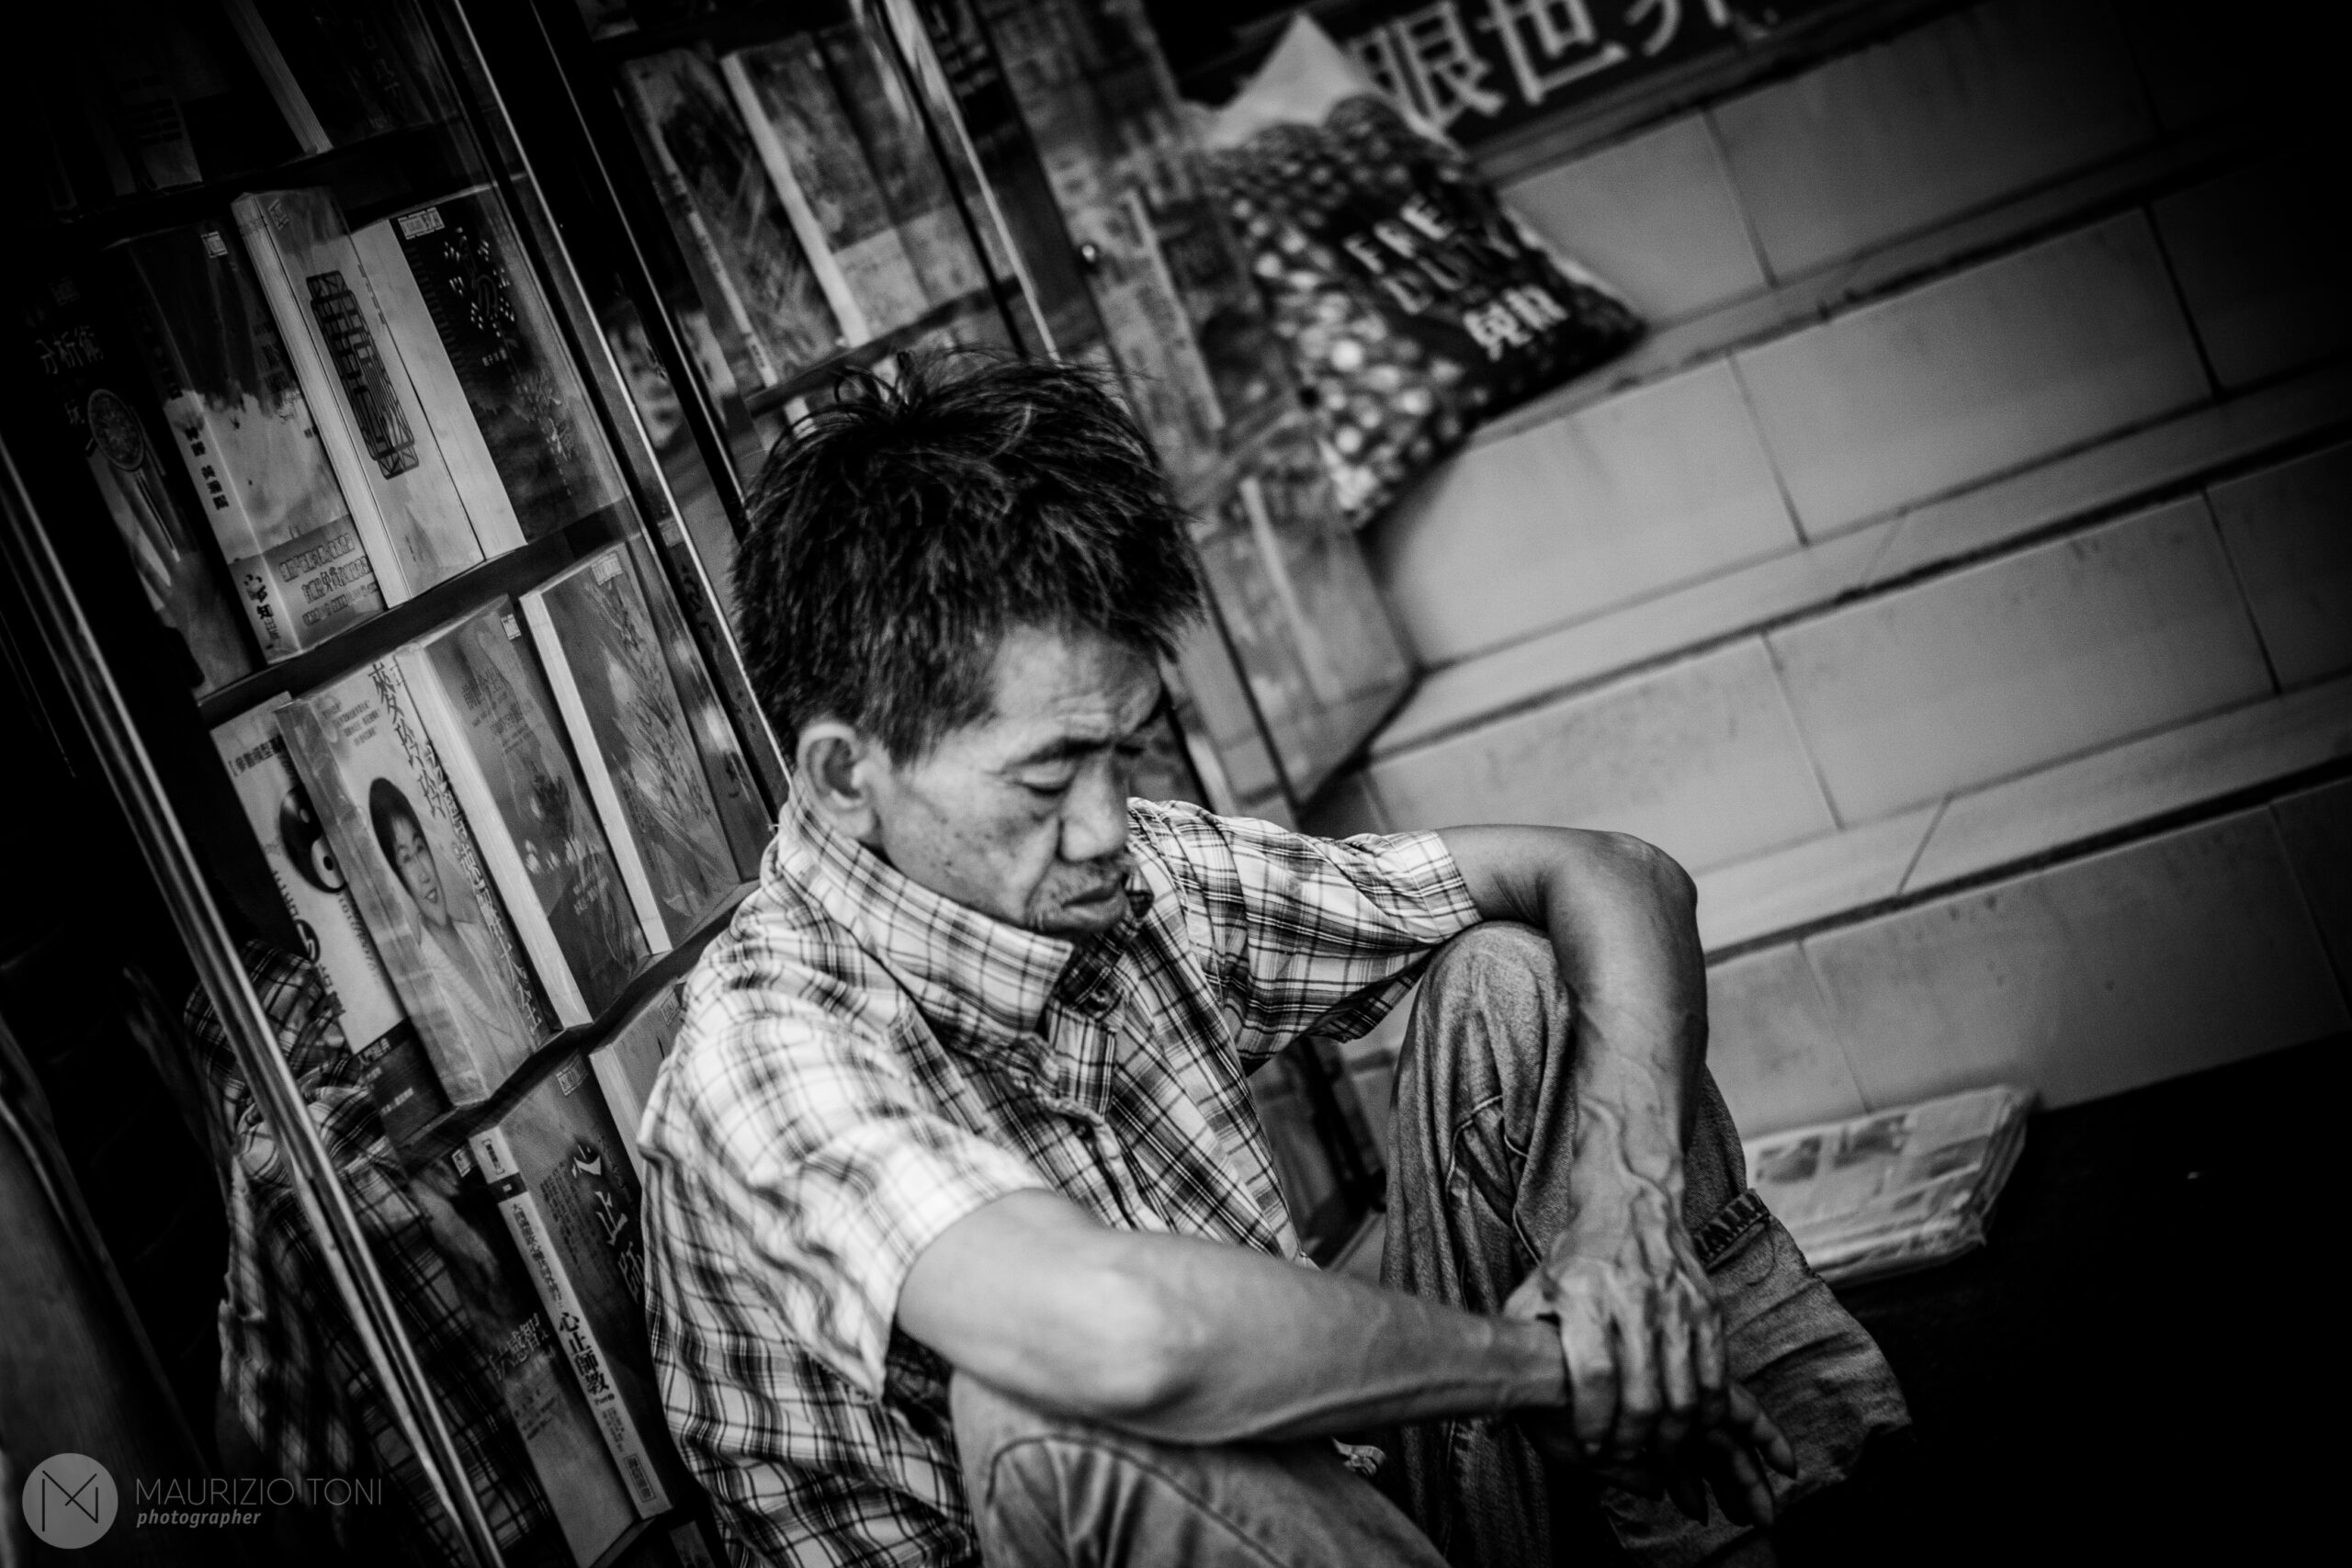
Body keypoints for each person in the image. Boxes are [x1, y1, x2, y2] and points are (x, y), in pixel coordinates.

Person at [638, 355, 1907, 1568]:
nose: (1105, 824)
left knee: (1517, 988)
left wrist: (1624, 1228)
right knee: (1057, 1410)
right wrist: (1549, 1366)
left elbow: (1613, 873)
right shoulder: (764, 1049)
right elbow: (1119, 1336)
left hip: (1353, 1508)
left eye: (1124, 751)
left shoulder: (1135, 874)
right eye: (1047, 775)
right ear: (844, 775)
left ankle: (1777, 1519)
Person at [368, 778, 537, 1071]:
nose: (423, 874)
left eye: (420, 849)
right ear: (398, 875)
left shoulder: (480, 936)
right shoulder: (428, 977)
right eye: (406, 859)